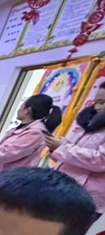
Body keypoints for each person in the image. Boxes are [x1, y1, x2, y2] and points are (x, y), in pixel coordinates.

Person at [45, 81, 105, 219]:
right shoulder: (87, 125)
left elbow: (100, 160)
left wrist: (62, 148)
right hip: (61, 188)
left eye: (102, 102)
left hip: (86, 197)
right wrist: (56, 147)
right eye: (96, 102)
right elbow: (68, 154)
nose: (97, 107)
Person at [0, 93, 62, 181]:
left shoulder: (35, 133)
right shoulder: (21, 128)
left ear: (28, 110)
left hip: (5, 183)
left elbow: (5, 154)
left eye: (21, 106)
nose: (18, 110)